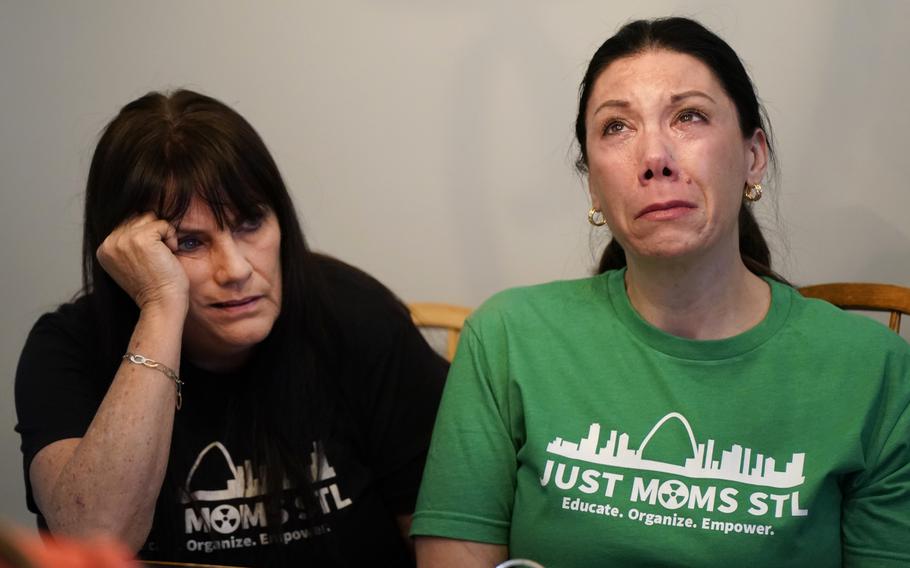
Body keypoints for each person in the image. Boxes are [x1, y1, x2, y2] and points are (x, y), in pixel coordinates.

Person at [411, 17, 910, 567]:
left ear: (754, 155)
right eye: (616, 128)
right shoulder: (507, 336)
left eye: (689, 116)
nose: (654, 158)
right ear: (592, 183)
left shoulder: (875, 370)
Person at [14, 89, 448, 567]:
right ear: (130, 255)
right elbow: (94, 543)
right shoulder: (67, 348)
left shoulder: (357, 316)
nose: (236, 268)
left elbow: (445, 540)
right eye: (190, 241)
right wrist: (160, 308)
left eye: (250, 222)